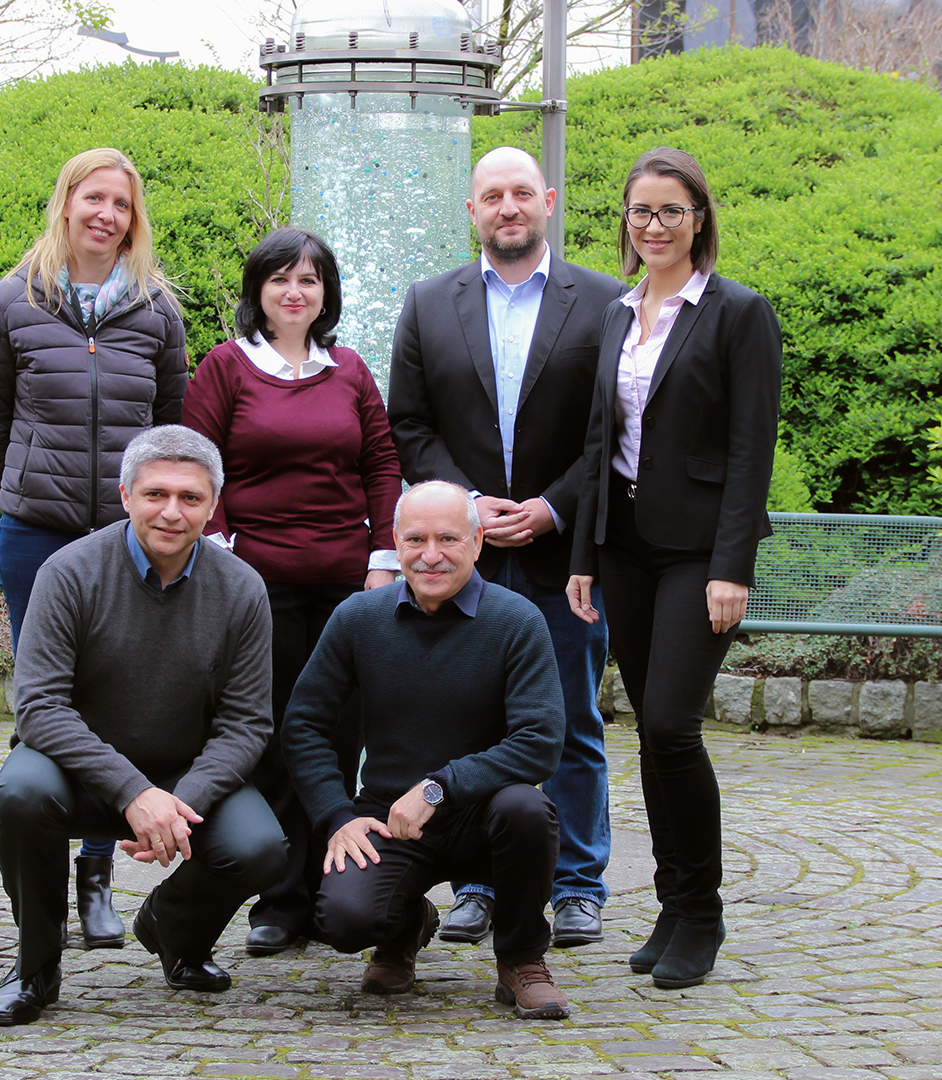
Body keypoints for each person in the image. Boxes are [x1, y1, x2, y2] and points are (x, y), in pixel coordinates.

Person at [388, 146, 626, 948]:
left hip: (566, 557)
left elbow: (617, 430)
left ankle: (578, 883)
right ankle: (480, 883)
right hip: (464, 557)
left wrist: (554, 508)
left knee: (569, 722)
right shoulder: (427, 304)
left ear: (549, 200)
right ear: (472, 211)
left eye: (522, 192)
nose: (508, 207)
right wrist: (465, 505)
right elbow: (408, 423)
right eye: (492, 196)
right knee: (468, 723)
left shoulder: (604, 303)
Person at [0, 426, 287, 1025]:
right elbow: (40, 706)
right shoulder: (68, 572)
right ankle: (35, 967)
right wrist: (134, 793)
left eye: (190, 498)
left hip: (183, 771)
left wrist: (179, 803)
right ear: (125, 495)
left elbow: (247, 724)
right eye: (155, 494)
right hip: (73, 769)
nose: (171, 512)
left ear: (211, 506)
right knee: (19, 794)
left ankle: (175, 933)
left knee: (260, 846)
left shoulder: (242, 587)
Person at [566, 147, 782, 990]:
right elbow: (598, 444)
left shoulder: (737, 313)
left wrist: (732, 565)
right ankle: (669, 901)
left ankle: (703, 912)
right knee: (651, 738)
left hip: (699, 554)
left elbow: (749, 447)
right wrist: (583, 552)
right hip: (624, 548)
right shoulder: (619, 313)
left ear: (699, 219)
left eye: (670, 211)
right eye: (639, 212)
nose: (653, 226)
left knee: (669, 726)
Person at [0, 147, 187, 950]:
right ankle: (42, 890)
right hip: (36, 533)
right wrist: (28, 487)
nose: (106, 215)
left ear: (134, 220)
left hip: (126, 539)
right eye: (93, 199)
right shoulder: (12, 301)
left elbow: (171, 426)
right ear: (65, 203)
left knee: (116, 701)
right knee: (44, 701)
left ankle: (96, 876)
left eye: (121, 205)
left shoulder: (157, 309)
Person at [182, 227, 401, 956]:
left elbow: (382, 466)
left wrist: (382, 559)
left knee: (340, 740)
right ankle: (277, 900)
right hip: (258, 588)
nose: (295, 291)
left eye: (310, 279)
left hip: (348, 587)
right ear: (259, 293)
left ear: (326, 294)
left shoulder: (350, 371)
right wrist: (219, 558)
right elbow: (198, 466)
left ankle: (331, 886)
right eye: (280, 279)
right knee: (272, 735)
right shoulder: (225, 368)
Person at [282, 481, 571, 1019]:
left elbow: (540, 741)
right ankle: (403, 929)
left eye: (448, 539)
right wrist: (337, 816)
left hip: (487, 813)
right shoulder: (358, 618)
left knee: (528, 809)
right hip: (387, 818)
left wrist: (440, 786)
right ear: (396, 542)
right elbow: (303, 724)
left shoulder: (517, 620)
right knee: (344, 922)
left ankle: (522, 960)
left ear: (479, 541)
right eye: (415, 539)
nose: (430, 555)